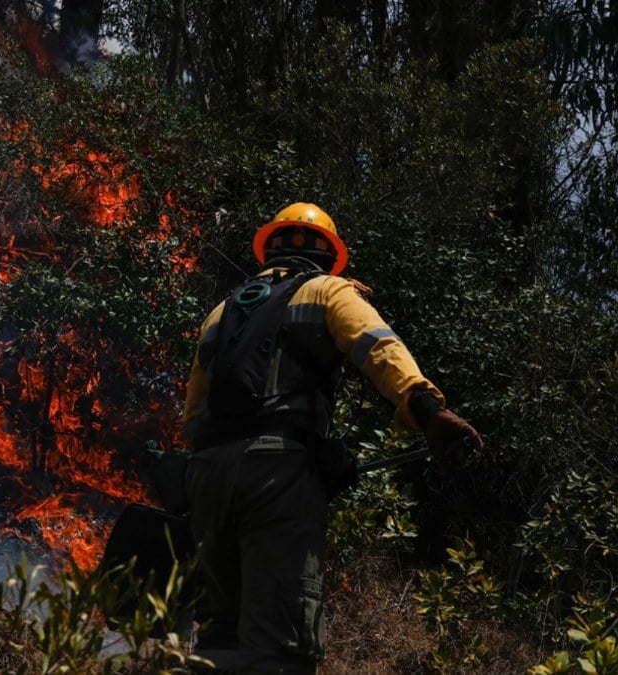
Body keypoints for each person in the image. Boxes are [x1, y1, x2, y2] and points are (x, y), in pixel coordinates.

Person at [182, 202, 483, 673]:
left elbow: (192, 415)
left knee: (217, 638)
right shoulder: (326, 291)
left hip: (207, 480)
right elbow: (376, 346)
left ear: (270, 250)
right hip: (276, 477)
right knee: (279, 644)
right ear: (329, 255)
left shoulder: (220, 314)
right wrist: (427, 409)